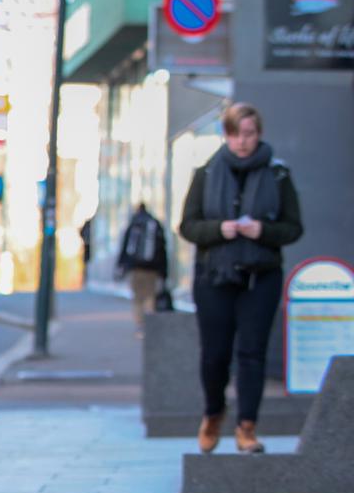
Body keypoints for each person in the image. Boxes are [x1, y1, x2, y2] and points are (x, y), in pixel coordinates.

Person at [179, 102, 303, 455]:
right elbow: (188, 226)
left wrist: (262, 230)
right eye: (235, 134)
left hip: (260, 276)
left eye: (248, 133)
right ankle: (213, 413)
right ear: (225, 135)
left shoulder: (278, 175)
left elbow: (294, 228)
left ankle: (247, 427)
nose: (242, 141)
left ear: (258, 134)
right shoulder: (207, 173)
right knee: (215, 356)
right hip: (214, 276)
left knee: (252, 353)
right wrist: (221, 229)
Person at [115, 203, 168, 335]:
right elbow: (162, 249)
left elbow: (125, 247)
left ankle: (140, 326)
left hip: (135, 268)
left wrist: (121, 266)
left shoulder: (134, 224)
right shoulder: (155, 224)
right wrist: (164, 271)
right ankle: (149, 326)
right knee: (150, 297)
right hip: (152, 269)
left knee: (138, 298)